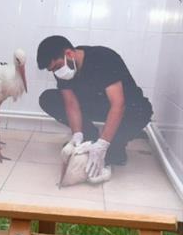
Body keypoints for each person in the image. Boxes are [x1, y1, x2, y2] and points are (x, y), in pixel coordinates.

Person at [35, 35, 152, 175]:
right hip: (99, 104)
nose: (57, 72)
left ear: (69, 54)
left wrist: (103, 144)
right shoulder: (63, 70)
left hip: (131, 110)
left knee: (111, 156)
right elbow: (71, 103)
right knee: (49, 98)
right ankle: (88, 137)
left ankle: (117, 142)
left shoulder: (104, 58)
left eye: (57, 67)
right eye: (52, 70)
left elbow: (118, 104)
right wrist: (77, 134)